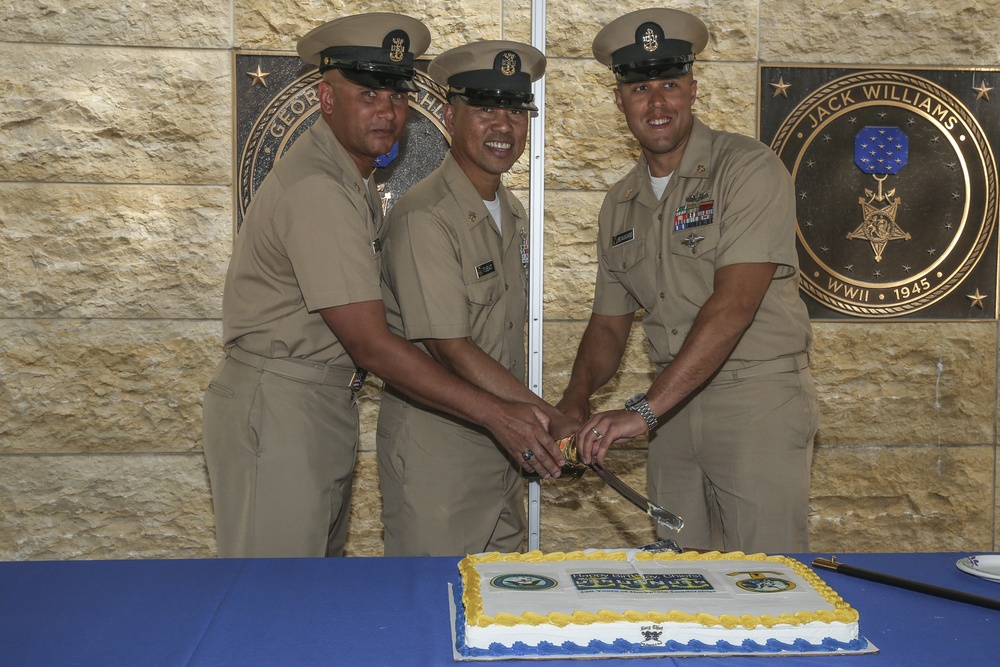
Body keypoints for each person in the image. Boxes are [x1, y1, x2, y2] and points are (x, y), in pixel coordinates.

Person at [202, 15, 565, 559]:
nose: (387, 111)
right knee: (271, 599)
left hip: (311, 405)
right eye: (367, 93)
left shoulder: (352, 181)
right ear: (326, 97)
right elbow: (372, 344)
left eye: (395, 96)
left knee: (300, 591)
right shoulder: (321, 191)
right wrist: (500, 414)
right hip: (280, 407)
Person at [557, 8, 818, 554]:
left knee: (765, 580)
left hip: (754, 400)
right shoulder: (619, 203)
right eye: (640, 88)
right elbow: (608, 327)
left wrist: (642, 412)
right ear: (619, 100)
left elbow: (733, 307)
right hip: (670, 408)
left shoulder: (747, 169)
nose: (657, 103)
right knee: (680, 574)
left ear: (693, 91)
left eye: (670, 85)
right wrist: (575, 402)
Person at [376, 40, 579, 556]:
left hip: (505, 457)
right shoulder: (427, 217)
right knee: (430, 616)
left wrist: (535, 423)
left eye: (515, 111)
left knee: (502, 616)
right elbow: (450, 347)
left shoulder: (510, 213)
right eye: (485, 108)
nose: (504, 126)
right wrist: (549, 417)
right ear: (449, 115)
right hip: (439, 465)